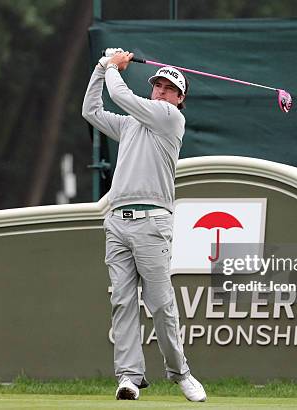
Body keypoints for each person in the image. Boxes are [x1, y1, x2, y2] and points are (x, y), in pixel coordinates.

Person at [82, 49, 206, 402]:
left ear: (180, 99)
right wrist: (98, 69)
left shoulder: (169, 118)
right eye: (158, 86)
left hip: (153, 221)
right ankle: (129, 376)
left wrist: (110, 65)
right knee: (122, 302)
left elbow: (120, 95)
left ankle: (180, 372)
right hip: (117, 221)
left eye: (170, 89)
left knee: (161, 304)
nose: (162, 92)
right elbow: (90, 111)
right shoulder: (131, 123)